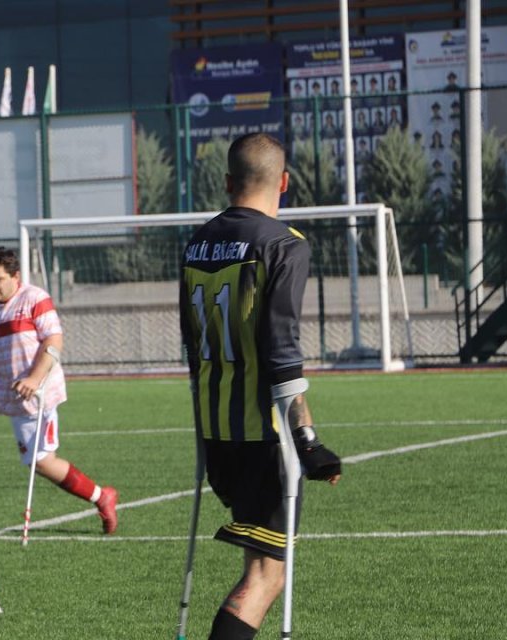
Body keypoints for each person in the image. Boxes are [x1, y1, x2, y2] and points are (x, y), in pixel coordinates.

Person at [179, 133, 342, 639]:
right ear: (285, 182)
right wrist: (308, 439)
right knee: (266, 574)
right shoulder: (283, 244)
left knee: (263, 567)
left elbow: (190, 341)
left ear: (228, 182)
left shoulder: (196, 242)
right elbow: (281, 349)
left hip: (217, 434)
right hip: (264, 436)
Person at [0, 247, 119, 535]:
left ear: (15, 276)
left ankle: (101, 497)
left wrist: (34, 378)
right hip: (15, 397)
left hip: (43, 393)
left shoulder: (34, 298)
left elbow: (54, 341)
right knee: (38, 461)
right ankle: (100, 496)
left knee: (41, 461)